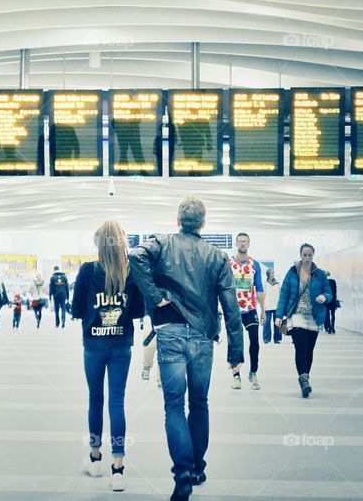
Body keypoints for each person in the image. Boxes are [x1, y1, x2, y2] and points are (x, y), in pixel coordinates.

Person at [129, 196, 243, 501]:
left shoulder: (162, 243)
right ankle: (197, 468)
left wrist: (155, 296)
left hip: (170, 334)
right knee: (200, 403)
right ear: (203, 223)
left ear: (178, 220)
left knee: (174, 406)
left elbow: (135, 256)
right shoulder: (217, 257)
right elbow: (231, 308)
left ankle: (181, 474)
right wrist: (236, 353)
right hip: (203, 337)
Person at [71, 220, 144, 492]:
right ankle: (118, 469)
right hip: (122, 344)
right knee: (117, 402)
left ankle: (94, 457)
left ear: (98, 244)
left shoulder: (88, 271)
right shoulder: (131, 271)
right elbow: (138, 311)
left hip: (93, 345)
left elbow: (77, 309)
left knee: (95, 399)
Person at [275, 243, 332, 398]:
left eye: (309, 255)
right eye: (304, 255)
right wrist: (279, 315)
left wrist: (324, 297)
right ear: (300, 255)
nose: (307, 258)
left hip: (314, 317)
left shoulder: (319, 274)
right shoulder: (292, 272)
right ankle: (304, 379)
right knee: (300, 348)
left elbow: (329, 293)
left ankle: (305, 376)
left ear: (313, 256)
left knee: (309, 351)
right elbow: (284, 295)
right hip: (297, 316)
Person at [228, 232, 265, 391]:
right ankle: (236, 377)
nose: (242, 244)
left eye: (245, 241)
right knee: (235, 344)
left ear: (249, 244)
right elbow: (222, 286)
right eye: (240, 241)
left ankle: (254, 372)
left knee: (255, 341)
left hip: (250, 309)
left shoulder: (254, 264)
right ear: (236, 244)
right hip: (233, 310)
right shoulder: (229, 263)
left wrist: (263, 310)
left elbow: (260, 288)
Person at [262, 268, 282, 344]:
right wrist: (262, 307)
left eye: (273, 273)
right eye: (271, 273)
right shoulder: (265, 284)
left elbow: (280, 294)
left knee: (277, 323)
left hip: (277, 306)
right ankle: (266, 339)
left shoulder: (277, 283)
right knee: (266, 323)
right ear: (268, 274)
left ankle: (277, 339)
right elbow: (263, 295)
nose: (273, 274)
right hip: (267, 306)